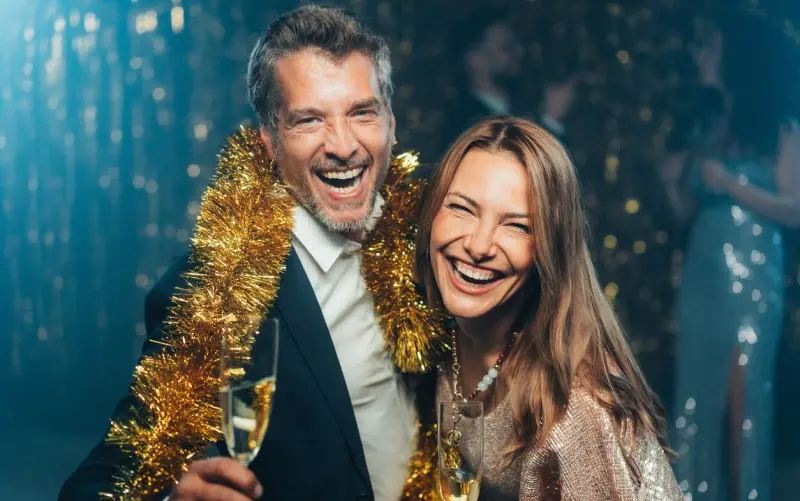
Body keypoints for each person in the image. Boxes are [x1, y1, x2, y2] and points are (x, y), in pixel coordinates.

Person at [60, 6, 427, 501]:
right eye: (309, 120)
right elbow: (97, 482)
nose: (343, 145)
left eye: (362, 112)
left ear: (391, 123)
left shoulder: (441, 239)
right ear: (270, 143)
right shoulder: (217, 292)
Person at [415, 116, 681, 500]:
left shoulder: (574, 409)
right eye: (462, 208)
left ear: (548, 251)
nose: (478, 244)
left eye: (517, 226)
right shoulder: (423, 335)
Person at [658, 13, 800, 501]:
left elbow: (795, 207)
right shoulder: (710, 124)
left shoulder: (781, 127)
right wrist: (674, 181)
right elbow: (687, 213)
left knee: (746, 406)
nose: (700, 56)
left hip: (754, 277)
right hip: (703, 272)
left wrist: (731, 184)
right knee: (694, 397)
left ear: (735, 58)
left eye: (710, 47)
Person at [442, 12, 576, 154]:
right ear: (475, 59)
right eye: (507, 47)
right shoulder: (467, 126)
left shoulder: (520, 111)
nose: (519, 53)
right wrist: (551, 120)